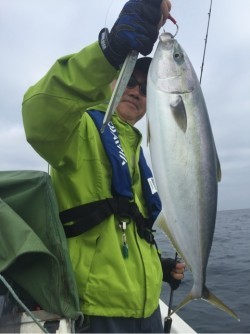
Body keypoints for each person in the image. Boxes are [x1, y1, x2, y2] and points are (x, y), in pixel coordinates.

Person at [22, 0, 185, 332]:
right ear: (112, 81)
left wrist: (160, 268)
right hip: (97, 313)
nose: (136, 90)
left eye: (145, 87)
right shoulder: (79, 129)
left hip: (148, 309)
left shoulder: (140, 153)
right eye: (128, 80)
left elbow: (126, 231)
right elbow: (40, 114)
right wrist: (109, 53)